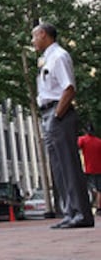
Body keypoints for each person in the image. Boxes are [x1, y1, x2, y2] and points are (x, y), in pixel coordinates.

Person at [31, 22, 94, 229]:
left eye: (34, 37)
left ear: (43, 34)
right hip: (49, 113)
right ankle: (70, 212)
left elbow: (69, 88)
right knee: (58, 167)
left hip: (59, 113)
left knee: (68, 165)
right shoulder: (47, 58)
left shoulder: (59, 56)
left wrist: (57, 115)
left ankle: (81, 213)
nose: (32, 41)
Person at [77, 124, 101, 215]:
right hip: (99, 168)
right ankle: (99, 207)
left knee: (86, 188)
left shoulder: (82, 140)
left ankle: (87, 206)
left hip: (87, 168)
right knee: (100, 189)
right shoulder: (99, 141)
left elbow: (77, 148)